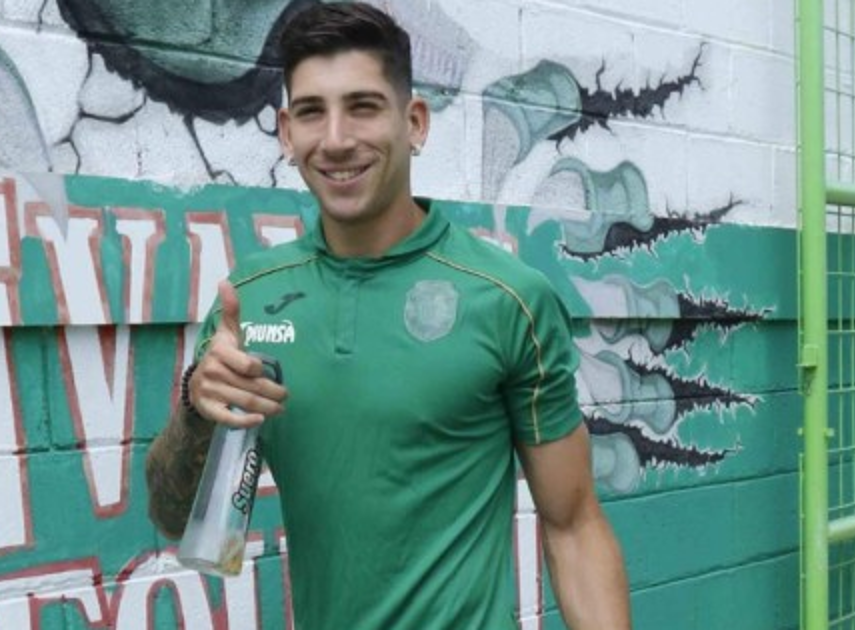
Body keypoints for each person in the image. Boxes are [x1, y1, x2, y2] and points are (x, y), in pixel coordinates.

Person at [145, 4, 631, 628]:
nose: (336, 139)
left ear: (415, 122)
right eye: (312, 112)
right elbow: (173, 516)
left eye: (364, 107)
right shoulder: (249, 301)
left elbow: (574, 525)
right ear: (287, 134)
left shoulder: (508, 298)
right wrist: (195, 408)